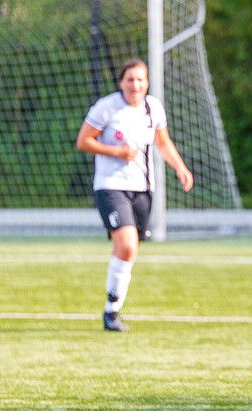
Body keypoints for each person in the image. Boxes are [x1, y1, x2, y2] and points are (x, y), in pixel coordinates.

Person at [76, 59, 193, 332]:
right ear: (121, 82)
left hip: (142, 189)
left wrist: (180, 167)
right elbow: (83, 141)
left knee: (129, 249)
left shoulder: (153, 107)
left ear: (147, 82)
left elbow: (163, 142)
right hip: (110, 186)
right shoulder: (106, 108)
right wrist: (116, 152)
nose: (135, 85)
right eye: (130, 79)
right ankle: (111, 312)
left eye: (140, 80)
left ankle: (112, 310)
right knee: (127, 245)